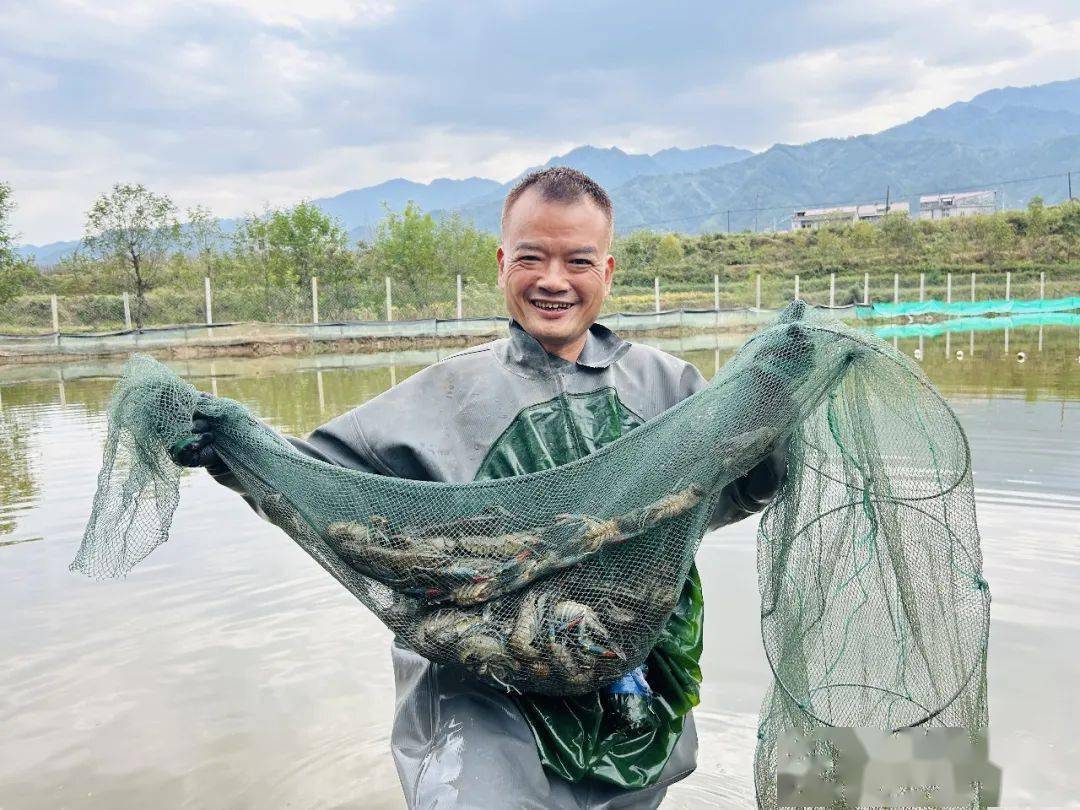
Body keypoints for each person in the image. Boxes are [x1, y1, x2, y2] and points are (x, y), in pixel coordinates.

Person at [173, 167, 786, 809]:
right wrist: (230, 448)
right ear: (502, 264)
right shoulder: (442, 396)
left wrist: (787, 426)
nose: (554, 280)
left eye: (577, 260)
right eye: (532, 258)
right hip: (484, 692)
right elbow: (317, 482)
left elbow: (731, 486)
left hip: (629, 683)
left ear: (607, 271)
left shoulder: (667, 388)